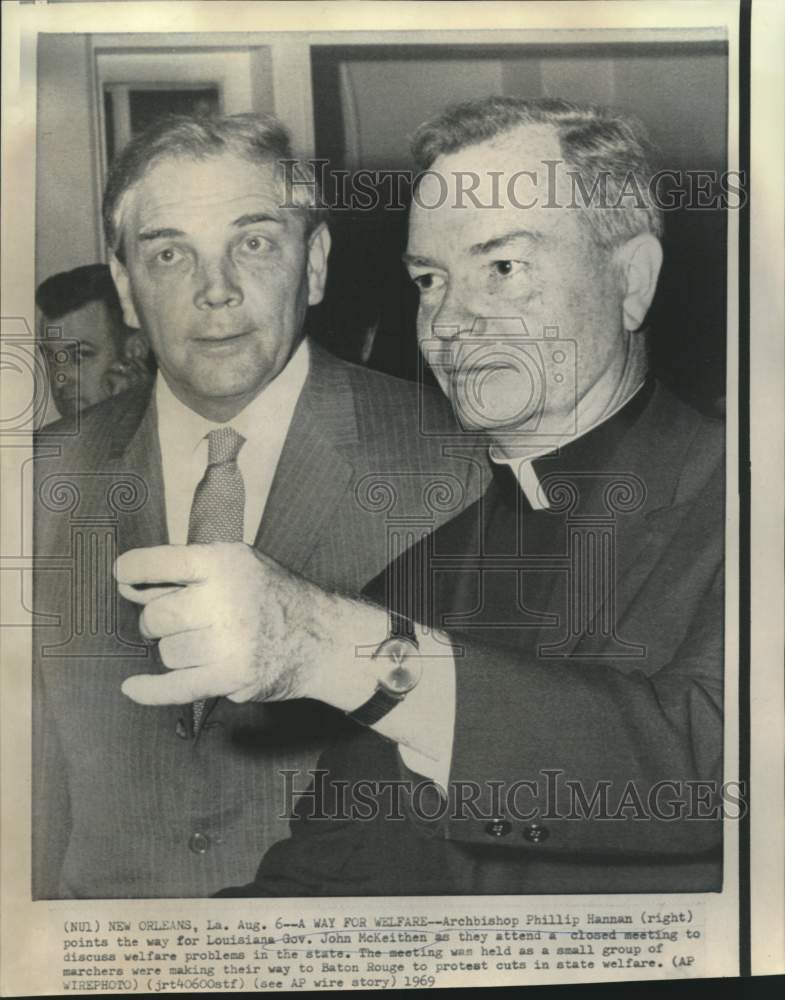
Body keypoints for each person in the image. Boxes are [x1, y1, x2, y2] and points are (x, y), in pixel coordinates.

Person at [113, 97, 725, 895]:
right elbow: (329, 875)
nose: (449, 320)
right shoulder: (422, 572)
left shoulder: (749, 500)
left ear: (630, 279)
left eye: (502, 267)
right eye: (430, 279)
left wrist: (330, 648)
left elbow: (711, 764)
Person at [32, 112, 483, 899]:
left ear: (313, 265)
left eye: (254, 242)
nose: (216, 291)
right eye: (169, 253)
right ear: (125, 291)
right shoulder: (36, 479)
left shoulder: (458, 464)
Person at [36, 263, 151, 420]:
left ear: (135, 351)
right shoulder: (51, 440)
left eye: (80, 355)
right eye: (52, 359)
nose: (59, 380)